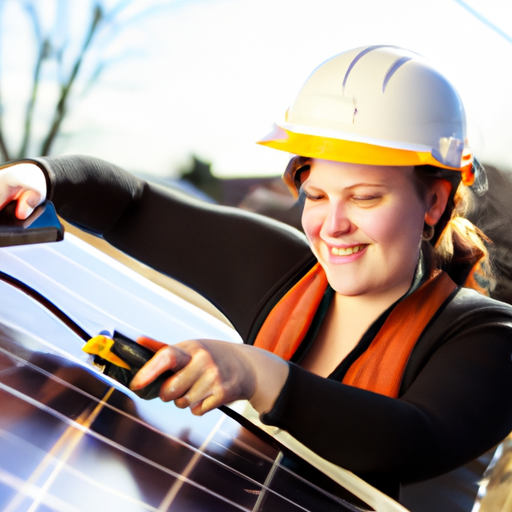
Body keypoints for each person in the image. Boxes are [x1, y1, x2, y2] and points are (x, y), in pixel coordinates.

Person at [1, 46, 512, 504]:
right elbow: (129, 204)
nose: (332, 225)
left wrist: (253, 372)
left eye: (365, 197)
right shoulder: (282, 276)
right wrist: (37, 177)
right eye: (316, 196)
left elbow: (412, 440)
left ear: (434, 201)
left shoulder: (486, 337)